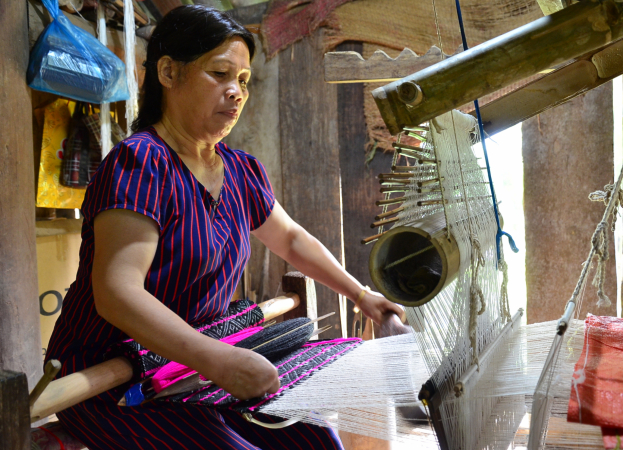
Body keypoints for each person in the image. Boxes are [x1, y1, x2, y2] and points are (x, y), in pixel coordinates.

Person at [45, 5, 404, 450]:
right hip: (114, 378)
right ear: (169, 73)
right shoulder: (141, 164)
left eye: (245, 81)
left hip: (196, 365)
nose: (236, 92)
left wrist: (362, 295)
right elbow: (118, 294)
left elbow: (290, 238)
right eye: (220, 74)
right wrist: (218, 361)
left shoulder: (239, 169)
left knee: (316, 443)